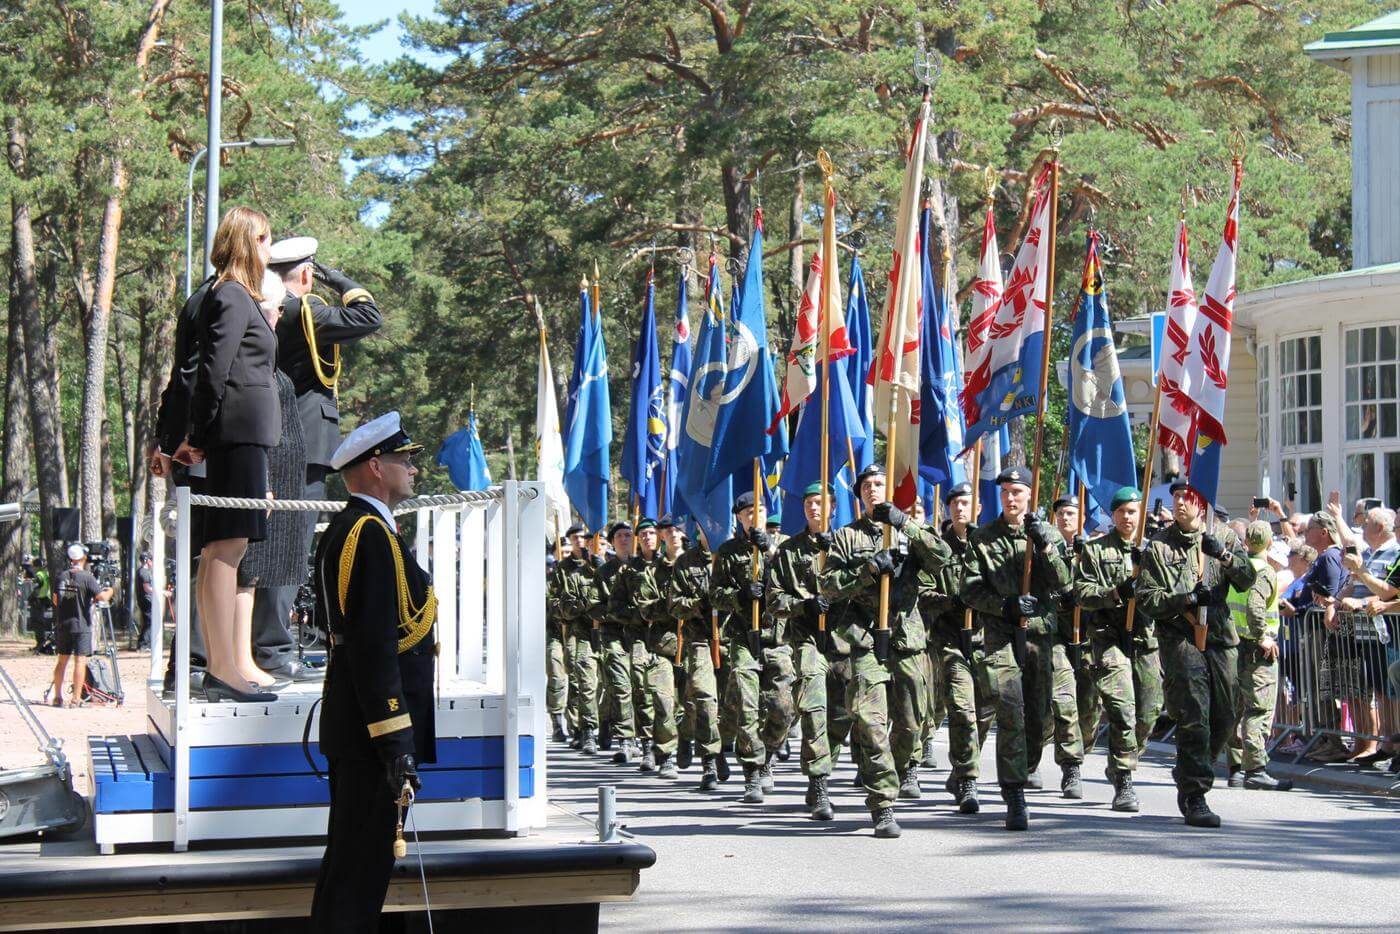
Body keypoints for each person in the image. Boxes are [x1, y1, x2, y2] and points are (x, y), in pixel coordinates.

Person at [309, 412, 434, 933]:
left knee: (351, 869)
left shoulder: (359, 528)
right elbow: (373, 645)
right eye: (404, 460)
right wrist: (394, 740)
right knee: (359, 874)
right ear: (375, 466)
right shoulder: (369, 534)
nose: (412, 468)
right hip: (370, 733)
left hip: (358, 726)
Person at [260, 237, 382, 682]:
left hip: (289, 437)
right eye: (314, 273)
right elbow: (370, 315)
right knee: (290, 546)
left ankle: (268, 644)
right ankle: (271, 648)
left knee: (280, 544)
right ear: (307, 274)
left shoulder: (276, 309)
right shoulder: (302, 310)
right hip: (305, 441)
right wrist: (334, 276)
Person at [178, 205, 281, 704]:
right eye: (263, 239)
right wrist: (198, 432)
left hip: (242, 434)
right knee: (226, 548)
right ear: (245, 242)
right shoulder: (234, 295)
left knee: (224, 549)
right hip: (234, 433)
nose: (268, 249)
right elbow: (212, 372)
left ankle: (223, 665)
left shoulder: (235, 295)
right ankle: (221, 667)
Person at [820, 466, 952, 838]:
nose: (874, 490)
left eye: (879, 484)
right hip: (864, 639)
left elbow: (942, 557)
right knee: (871, 722)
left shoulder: (908, 533)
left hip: (907, 639)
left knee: (912, 724)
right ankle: (883, 803)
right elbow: (829, 585)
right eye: (867, 486)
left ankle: (897, 769)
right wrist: (867, 570)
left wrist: (905, 523)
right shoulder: (846, 537)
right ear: (859, 494)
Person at [1137, 481, 1255, 828]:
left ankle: (1190, 768)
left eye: (1186, 497)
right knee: (1194, 714)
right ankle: (1195, 792)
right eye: (1175, 497)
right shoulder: (1160, 546)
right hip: (1180, 637)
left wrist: (1223, 555)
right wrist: (1186, 598)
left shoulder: (1224, 537)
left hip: (1219, 637)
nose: (1179, 503)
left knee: (1226, 715)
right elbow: (1147, 598)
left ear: (1201, 502)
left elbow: (1247, 578)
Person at [961, 465, 1071, 831]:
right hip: (1001, 636)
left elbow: (1064, 581)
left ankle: (1025, 766)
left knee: (1038, 718)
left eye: (1017, 492)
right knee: (1010, 709)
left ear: (1029, 496)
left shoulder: (1045, 533)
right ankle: (1014, 793)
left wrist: (1044, 543)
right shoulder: (984, 538)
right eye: (1006, 491)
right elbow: (970, 589)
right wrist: (1004, 605)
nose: (1011, 498)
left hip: (1040, 635)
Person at [713, 492, 796, 805]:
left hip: (778, 637)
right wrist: (740, 595)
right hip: (743, 638)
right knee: (748, 705)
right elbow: (716, 595)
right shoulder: (729, 551)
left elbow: (797, 579)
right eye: (747, 512)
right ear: (738, 517)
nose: (753, 516)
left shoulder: (783, 546)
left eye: (758, 510)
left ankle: (770, 753)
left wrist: (769, 552)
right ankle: (751, 772)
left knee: (783, 706)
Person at [1073, 487, 1152, 812]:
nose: (1127, 517)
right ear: (1113, 515)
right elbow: (1082, 592)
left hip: (1145, 640)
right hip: (1108, 639)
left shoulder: (1152, 550)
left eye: (1132, 511)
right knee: (1122, 708)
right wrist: (1117, 593)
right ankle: (1123, 779)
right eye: (1121, 512)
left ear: (1140, 514)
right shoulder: (1096, 551)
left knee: (1148, 713)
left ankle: (1126, 756)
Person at [765, 482, 842, 820]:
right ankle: (819, 781)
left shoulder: (845, 544)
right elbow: (774, 598)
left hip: (846, 639)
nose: (814, 508)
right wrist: (805, 605)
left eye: (821, 503)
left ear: (833, 508)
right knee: (813, 707)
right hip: (807, 638)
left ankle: (823, 764)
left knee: (842, 714)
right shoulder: (789, 551)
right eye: (809, 502)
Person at [920, 482, 995, 814]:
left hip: (986, 641)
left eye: (967, 503)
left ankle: (962, 766)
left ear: (977, 508)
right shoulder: (938, 550)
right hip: (950, 642)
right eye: (955, 504)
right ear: (948, 510)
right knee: (962, 710)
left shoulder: (990, 546)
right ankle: (967, 778)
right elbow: (922, 594)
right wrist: (950, 601)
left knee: (986, 710)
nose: (961, 509)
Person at [1226, 520, 1293, 791]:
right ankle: (1255, 768)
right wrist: (1263, 635)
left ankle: (1236, 769)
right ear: (1269, 543)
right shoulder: (1264, 571)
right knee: (1258, 710)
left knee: (1236, 708)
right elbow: (1255, 605)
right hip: (1256, 649)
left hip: (1235, 644)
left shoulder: (1238, 567)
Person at [1046, 493, 1099, 800]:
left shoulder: (1094, 551)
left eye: (1071, 513)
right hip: (1057, 638)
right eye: (1061, 513)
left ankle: (1079, 748)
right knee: (1063, 702)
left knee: (1089, 710)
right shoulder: (1046, 549)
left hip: (1090, 637)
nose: (1066, 518)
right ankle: (1071, 768)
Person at [668, 525, 726, 790]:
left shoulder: (732, 555)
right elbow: (674, 604)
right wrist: (699, 604)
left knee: (732, 703)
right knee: (703, 697)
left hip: (732, 638)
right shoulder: (685, 562)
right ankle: (709, 760)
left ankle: (720, 743)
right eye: (706, 526)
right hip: (700, 639)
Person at [611, 519, 665, 771]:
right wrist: (638, 616)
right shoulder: (628, 571)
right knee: (642, 689)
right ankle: (647, 746)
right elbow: (616, 607)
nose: (648, 537)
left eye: (652, 533)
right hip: (640, 637)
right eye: (642, 534)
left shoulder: (671, 566)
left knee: (668, 695)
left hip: (668, 637)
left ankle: (670, 747)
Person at [635, 519, 685, 780]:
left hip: (695, 643)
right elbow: (646, 608)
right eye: (667, 531)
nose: (673, 535)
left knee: (697, 701)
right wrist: (676, 605)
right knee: (664, 701)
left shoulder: (699, 564)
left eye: (677, 530)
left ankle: (698, 747)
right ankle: (666, 754)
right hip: (662, 645)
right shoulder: (651, 572)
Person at [549, 525, 600, 753]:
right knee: (576, 677)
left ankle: (595, 727)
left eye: (583, 538)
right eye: (575, 538)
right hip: (572, 630)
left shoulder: (599, 565)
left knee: (593, 682)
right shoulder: (562, 569)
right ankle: (577, 727)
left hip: (600, 631)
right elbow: (555, 601)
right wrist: (576, 609)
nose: (580, 541)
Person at [594, 522, 639, 762]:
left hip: (642, 635)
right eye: (620, 536)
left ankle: (648, 738)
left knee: (641, 687)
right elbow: (595, 606)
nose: (625, 539)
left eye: (629, 535)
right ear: (612, 542)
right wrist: (619, 612)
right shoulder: (604, 573)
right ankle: (625, 739)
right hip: (614, 635)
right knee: (620, 686)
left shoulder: (644, 568)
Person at [50, 544, 114, 707]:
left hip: (63, 624)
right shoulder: (87, 577)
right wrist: (110, 591)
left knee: (61, 662)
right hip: (81, 625)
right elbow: (101, 597)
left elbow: (56, 599)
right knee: (80, 662)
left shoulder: (61, 576)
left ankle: (57, 697)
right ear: (83, 558)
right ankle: (76, 699)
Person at [545, 529, 580, 742]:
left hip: (576, 633)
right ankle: (557, 721)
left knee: (577, 677)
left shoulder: (580, 574)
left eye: (569, 552)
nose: (566, 555)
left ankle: (575, 723)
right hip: (555, 632)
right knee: (557, 675)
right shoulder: (549, 578)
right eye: (562, 551)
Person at [135, 553, 155, 651]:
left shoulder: (143, 571)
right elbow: (147, 588)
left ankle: (143, 643)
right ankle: (143, 644)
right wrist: (160, 592)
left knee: (148, 622)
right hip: (146, 600)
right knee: (149, 622)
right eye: (151, 560)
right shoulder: (144, 572)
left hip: (146, 599)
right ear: (147, 561)